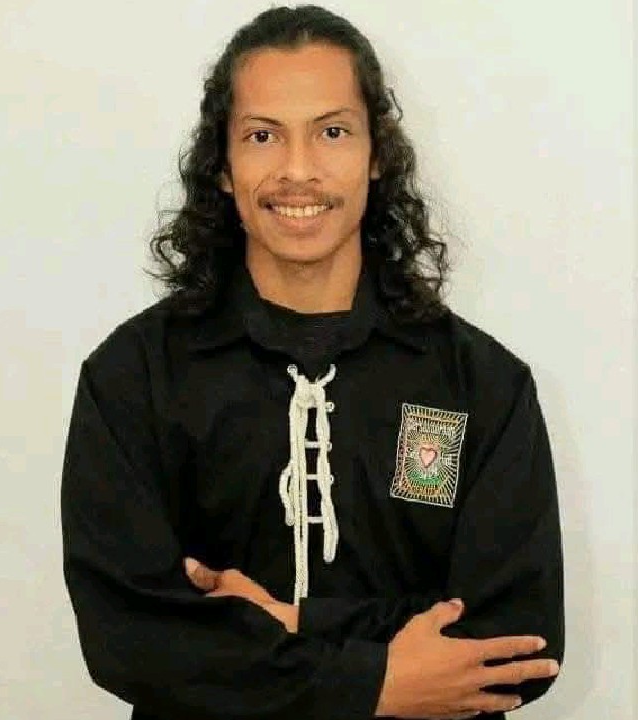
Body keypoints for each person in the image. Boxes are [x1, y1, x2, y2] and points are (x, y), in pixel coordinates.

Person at [61, 5, 564, 720]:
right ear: (223, 165)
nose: (298, 170)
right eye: (263, 136)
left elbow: (518, 643)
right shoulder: (134, 377)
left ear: (377, 153)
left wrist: (294, 624)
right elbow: (130, 637)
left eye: (332, 132)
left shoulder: (481, 384)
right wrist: (377, 683)